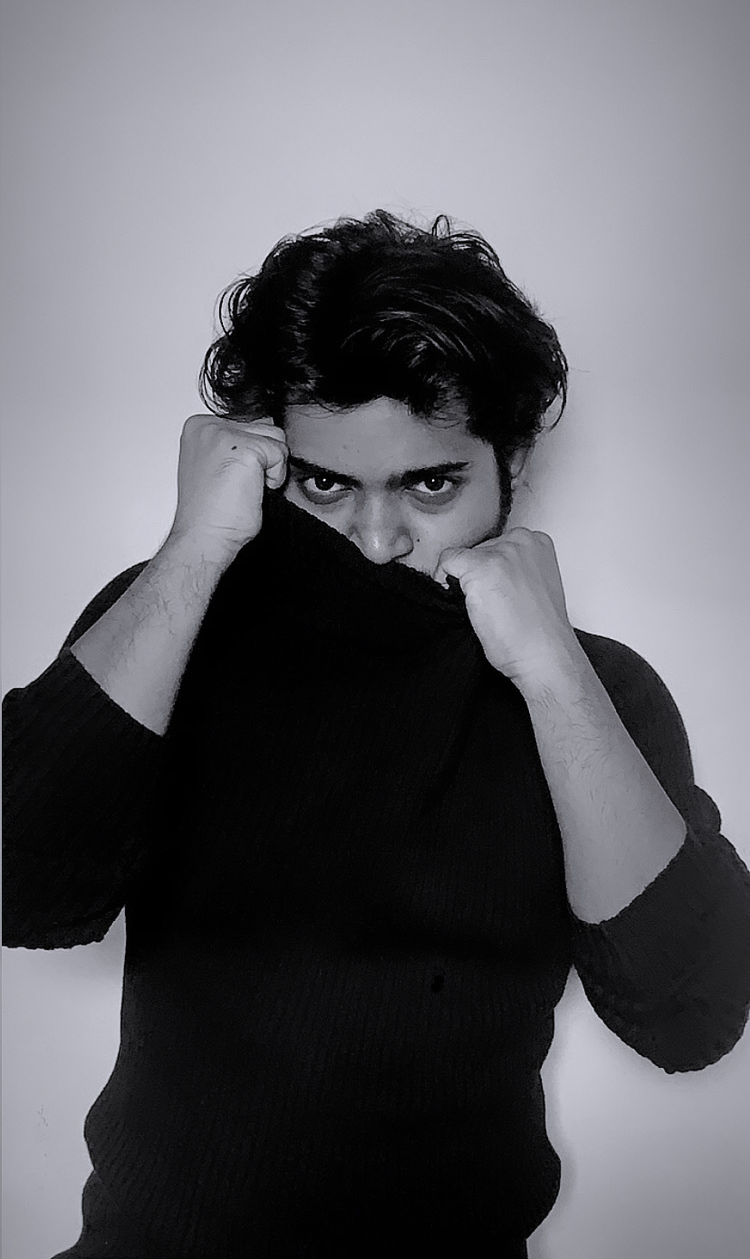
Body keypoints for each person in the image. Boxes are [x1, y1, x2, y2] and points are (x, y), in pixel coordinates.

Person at [4, 210, 750, 1258]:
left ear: (511, 462)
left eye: (431, 484)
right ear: (271, 462)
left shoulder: (597, 690)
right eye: (328, 485)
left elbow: (690, 1014)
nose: (378, 539)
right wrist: (193, 549)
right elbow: (23, 886)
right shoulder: (172, 620)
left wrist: (551, 672)